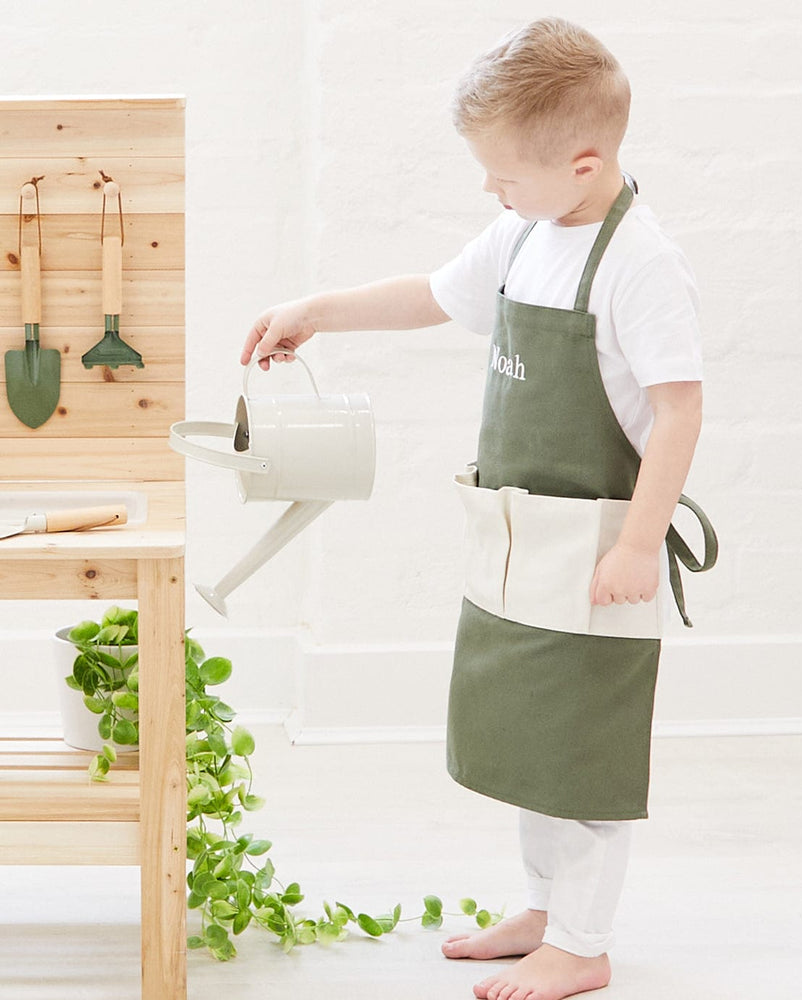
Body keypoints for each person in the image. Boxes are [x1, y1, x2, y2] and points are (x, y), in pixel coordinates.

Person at [242, 17, 709, 1000]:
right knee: (535, 742)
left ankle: (583, 942)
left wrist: (636, 542)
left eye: (503, 175)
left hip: (593, 555)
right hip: (516, 540)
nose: (489, 191)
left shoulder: (641, 265)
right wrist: (315, 310)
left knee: (585, 750)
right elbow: (432, 296)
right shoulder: (527, 232)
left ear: (583, 165)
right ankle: (548, 911)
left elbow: (678, 411)